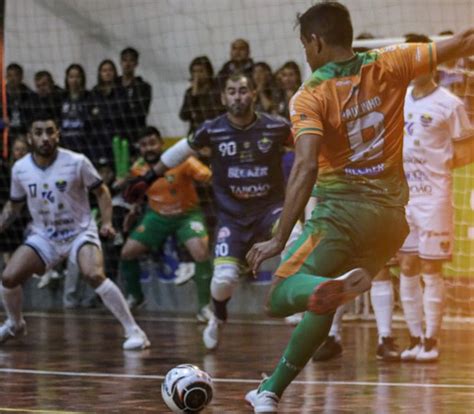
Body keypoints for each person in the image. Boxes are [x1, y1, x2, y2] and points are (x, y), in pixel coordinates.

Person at [239, 2, 474, 412]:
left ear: (315, 42)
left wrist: (279, 236)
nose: (305, 55)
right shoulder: (391, 61)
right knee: (324, 301)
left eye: (304, 46)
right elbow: (464, 41)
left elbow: (307, 165)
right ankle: (270, 392)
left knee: (277, 298)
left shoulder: (309, 95)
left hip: (340, 218)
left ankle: (318, 287)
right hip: (390, 222)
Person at [124, 73, 296, 351]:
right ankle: (217, 315)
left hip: (270, 210)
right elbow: (180, 151)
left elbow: (310, 146)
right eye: (232, 91)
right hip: (232, 218)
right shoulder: (212, 129)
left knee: (297, 236)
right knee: (224, 281)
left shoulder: (276, 127)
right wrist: (148, 177)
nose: (237, 96)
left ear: (254, 93)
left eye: (243, 90)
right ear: (223, 97)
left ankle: (293, 301)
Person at [0, 114, 150, 350]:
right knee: (8, 277)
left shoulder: (77, 161)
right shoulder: (20, 169)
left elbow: (101, 192)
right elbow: (15, 205)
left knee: (93, 274)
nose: (45, 138)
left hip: (79, 232)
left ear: (58, 134)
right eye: (38, 133)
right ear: (30, 138)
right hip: (44, 237)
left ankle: (135, 331)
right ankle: (15, 324)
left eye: (50, 131)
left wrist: (107, 222)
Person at [121, 126, 213, 319]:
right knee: (127, 252)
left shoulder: (182, 160)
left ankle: (204, 307)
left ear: (162, 144)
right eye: (144, 145)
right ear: (139, 148)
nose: (149, 148)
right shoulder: (137, 169)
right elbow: (138, 195)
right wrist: (133, 211)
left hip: (187, 215)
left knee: (201, 251)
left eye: (153, 143)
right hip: (157, 216)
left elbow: (207, 177)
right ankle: (136, 297)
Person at [88, 59, 128, 166]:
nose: (107, 73)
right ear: (100, 73)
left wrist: (100, 112)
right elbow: (90, 117)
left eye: (110, 70)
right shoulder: (94, 92)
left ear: (115, 72)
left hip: (117, 139)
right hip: (98, 141)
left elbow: (121, 114)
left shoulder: (122, 91)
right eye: (104, 70)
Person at [179, 56, 224, 135]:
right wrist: (194, 96)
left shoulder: (217, 90)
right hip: (196, 133)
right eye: (194, 72)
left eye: (201, 71)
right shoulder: (190, 92)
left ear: (209, 72)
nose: (197, 75)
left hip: (216, 131)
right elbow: (183, 116)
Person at [118, 47, 152, 143]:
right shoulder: (114, 85)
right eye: (125, 60)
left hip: (137, 133)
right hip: (117, 133)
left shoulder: (144, 87)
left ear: (136, 63)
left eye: (131, 60)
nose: (127, 64)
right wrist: (131, 105)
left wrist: (122, 108)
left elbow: (142, 111)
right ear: (120, 62)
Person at [60, 64, 92, 159]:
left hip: (83, 144)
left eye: (78, 76)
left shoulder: (89, 97)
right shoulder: (60, 97)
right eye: (71, 77)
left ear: (83, 79)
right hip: (65, 144)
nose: (74, 80)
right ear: (67, 79)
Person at [5, 63, 33, 139]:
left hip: (24, 133)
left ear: (21, 77)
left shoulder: (29, 95)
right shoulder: (2, 95)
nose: (12, 79)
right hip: (4, 133)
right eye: (9, 75)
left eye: (15, 75)